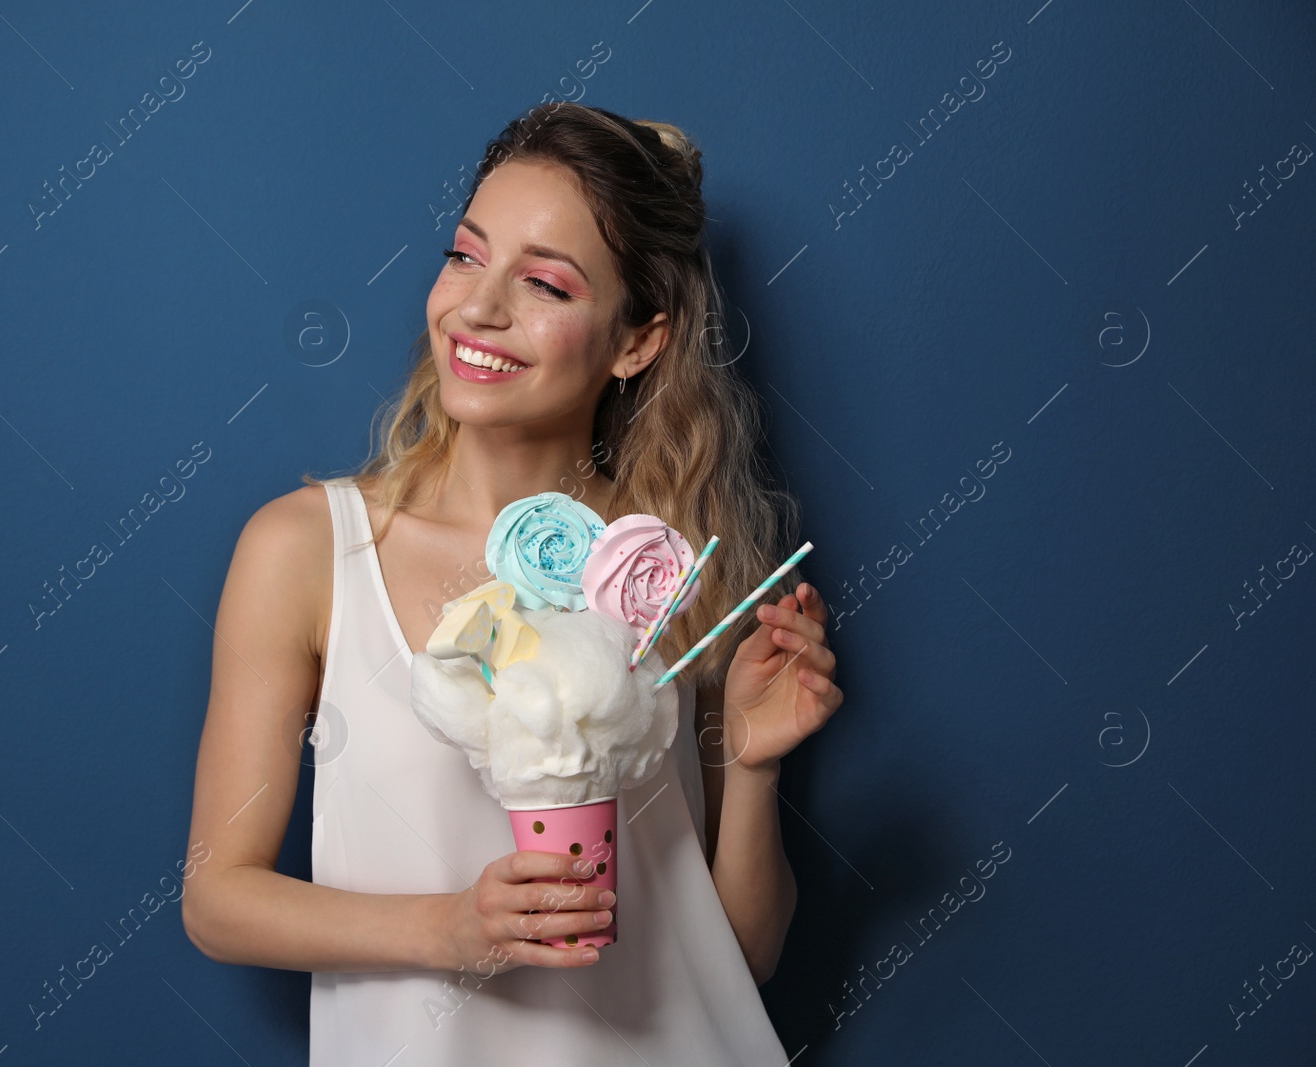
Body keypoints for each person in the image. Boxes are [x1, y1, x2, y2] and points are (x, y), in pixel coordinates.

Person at [180, 100, 845, 1065]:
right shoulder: (308, 550)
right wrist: (450, 929)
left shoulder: (666, 565)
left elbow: (738, 951)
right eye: (464, 256)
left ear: (637, 342)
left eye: (543, 283)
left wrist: (750, 765)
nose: (478, 309)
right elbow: (217, 900)